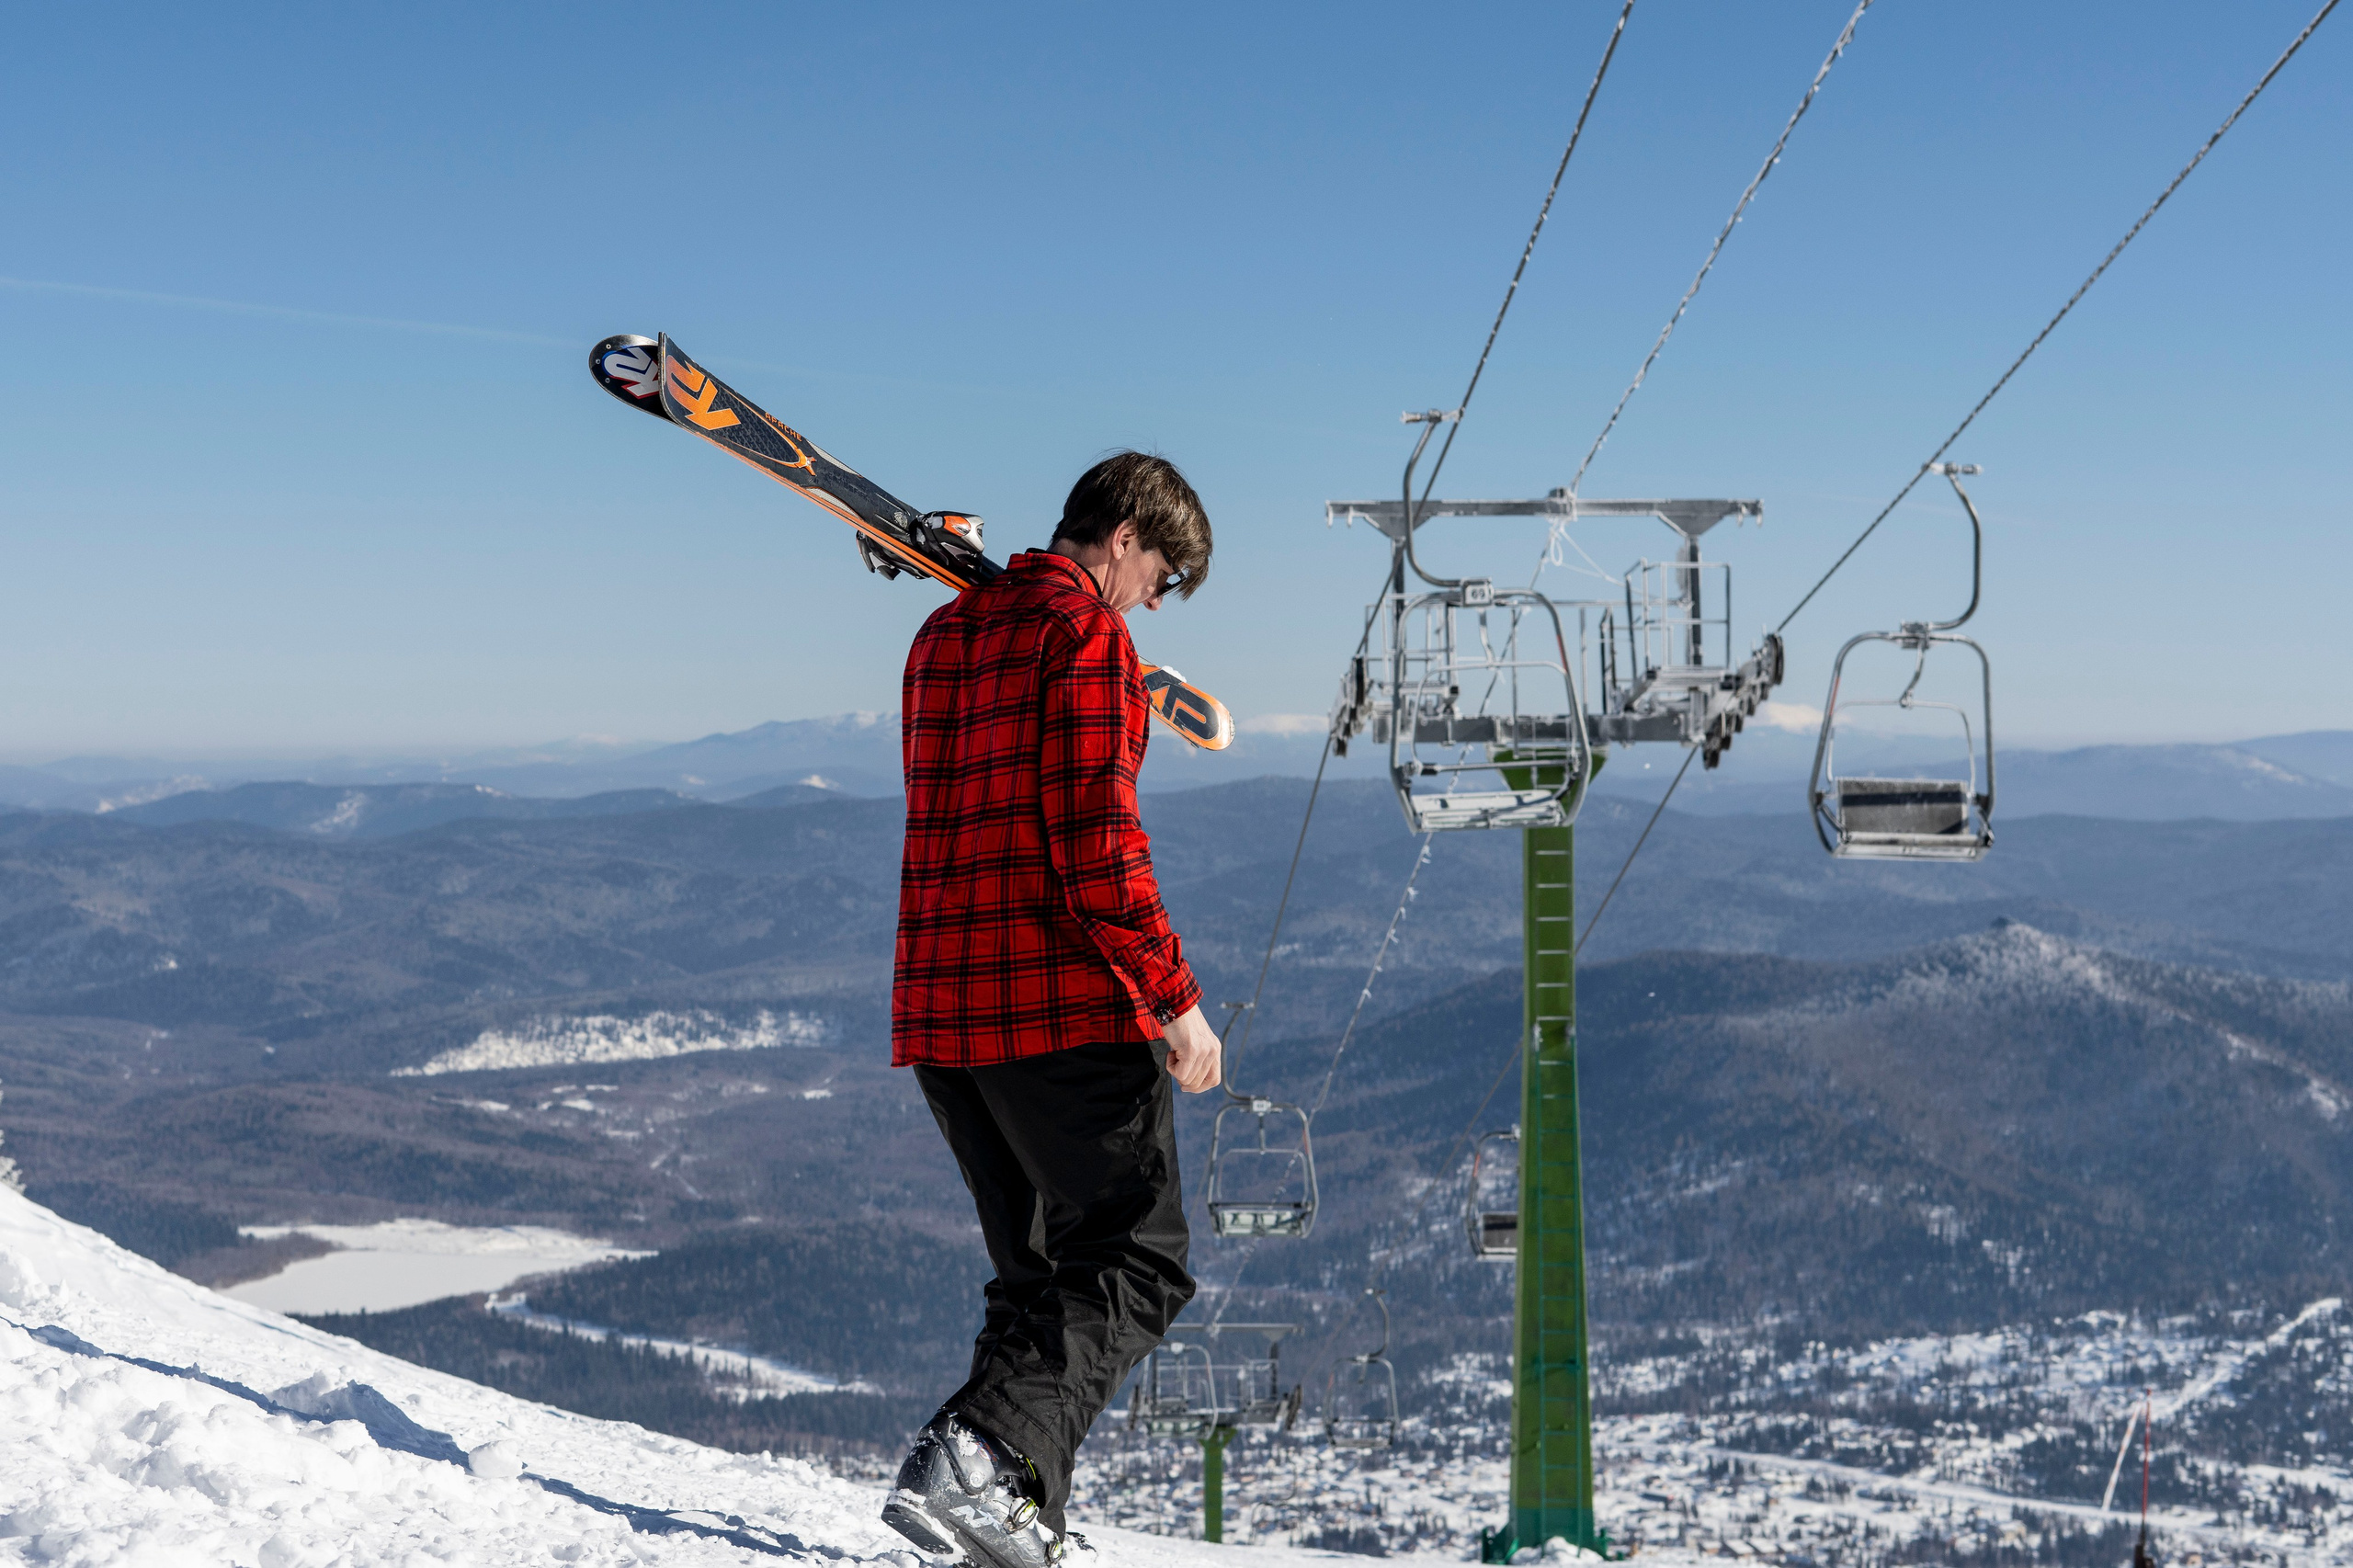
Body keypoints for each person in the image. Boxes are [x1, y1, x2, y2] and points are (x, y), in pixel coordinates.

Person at [881, 451, 1223, 1568]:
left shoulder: (940, 637)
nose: (1152, 606)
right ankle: (977, 1453)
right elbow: (1097, 845)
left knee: (1039, 1274)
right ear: (1123, 537)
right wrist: (1176, 1001)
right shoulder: (1086, 640)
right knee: (1137, 1257)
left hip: (945, 1012)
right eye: (1158, 577)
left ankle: (1007, 1510)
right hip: (1056, 1007)